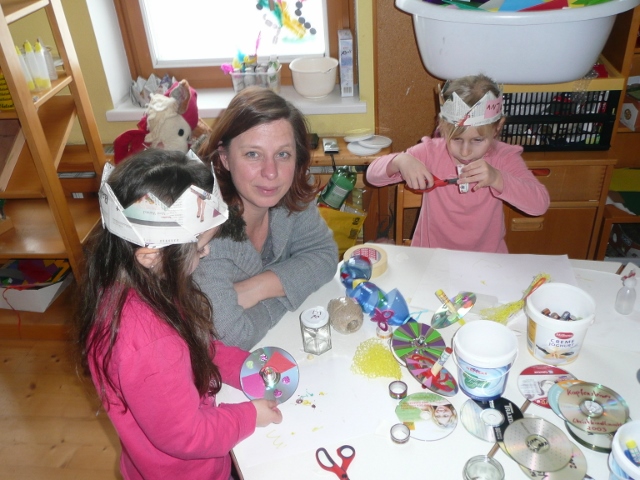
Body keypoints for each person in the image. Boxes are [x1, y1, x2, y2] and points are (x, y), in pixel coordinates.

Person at [73, 149, 282, 480]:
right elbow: (188, 435)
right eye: (198, 248)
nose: (206, 252)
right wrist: (248, 415)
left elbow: (195, 346)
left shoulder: (143, 286)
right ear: (151, 255)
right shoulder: (149, 341)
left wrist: (245, 367)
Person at [196, 86, 338, 350]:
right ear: (225, 158)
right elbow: (232, 336)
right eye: (253, 154)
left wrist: (257, 288)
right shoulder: (206, 231)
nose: (271, 173)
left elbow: (325, 255)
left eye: (283, 154)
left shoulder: (289, 191)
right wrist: (291, 287)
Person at [366, 74, 550, 253]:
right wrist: (400, 161)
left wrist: (497, 178)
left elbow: (539, 204)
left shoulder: (503, 157)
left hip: (487, 259)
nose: (465, 152)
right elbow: (372, 176)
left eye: (478, 140)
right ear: (443, 126)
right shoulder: (430, 152)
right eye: (456, 139)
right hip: (432, 258)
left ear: (497, 128)